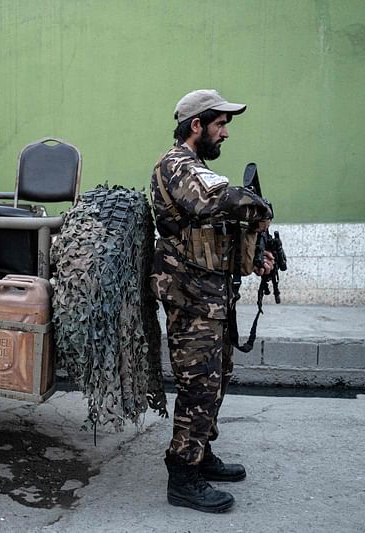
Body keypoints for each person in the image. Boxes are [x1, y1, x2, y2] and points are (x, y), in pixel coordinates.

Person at [149, 89, 275, 513]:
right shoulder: (177, 166)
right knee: (197, 385)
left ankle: (200, 454)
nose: (225, 134)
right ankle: (182, 476)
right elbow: (217, 199)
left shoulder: (197, 167)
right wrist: (257, 206)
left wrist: (256, 255)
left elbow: (218, 229)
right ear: (196, 125)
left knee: (216, 379)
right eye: (220, 124)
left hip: (212, 297)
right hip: (190, 299)